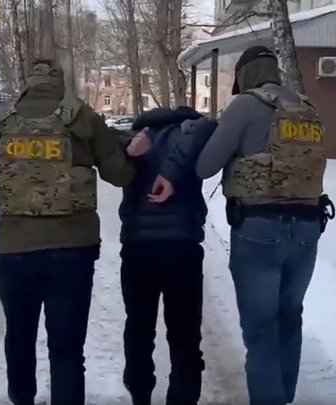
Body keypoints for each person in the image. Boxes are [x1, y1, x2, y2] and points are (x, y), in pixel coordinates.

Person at [0, 59, 149, 405]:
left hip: (16, 253)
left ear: (27, 84)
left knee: (19, 340)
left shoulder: (1, 121)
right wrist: (135, 156)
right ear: (60, 83)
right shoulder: (83, 117)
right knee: (67, 351)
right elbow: (120, 175)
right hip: (73, 253)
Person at [154, 46, 335, 404]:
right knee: (290, 316)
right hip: (307, 229)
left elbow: (205, 166)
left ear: (245, 75)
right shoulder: (307, 108)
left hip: (259, 229)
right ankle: (282, 395)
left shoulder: (245, 106)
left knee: (261, 328)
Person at [116, 106, 216, 405]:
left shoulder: (136, 137)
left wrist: (131, 149)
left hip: (138, 248)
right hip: (182, 247)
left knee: (138, 328)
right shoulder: (191, 137)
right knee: (185, 335)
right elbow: (209, 126)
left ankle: (140, 395)